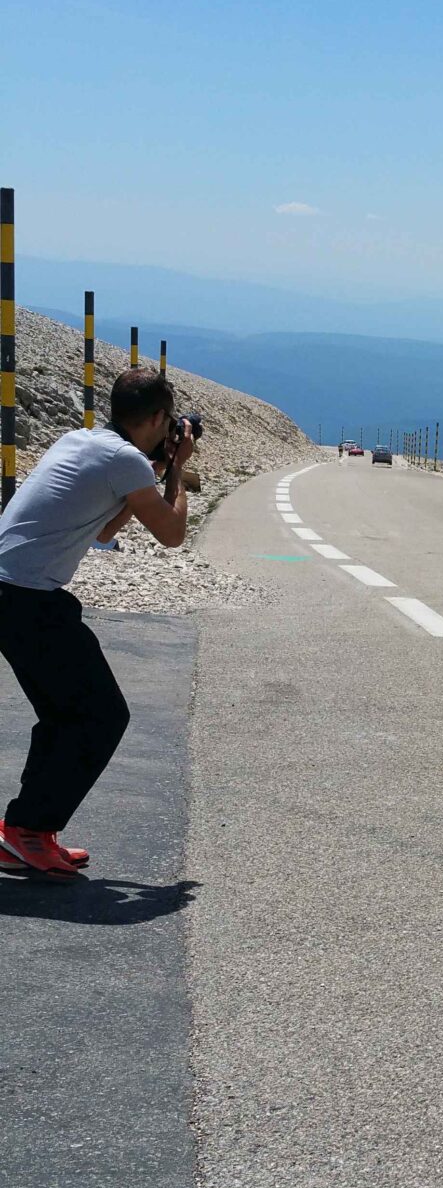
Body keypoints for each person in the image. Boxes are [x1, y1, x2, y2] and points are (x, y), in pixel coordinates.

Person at [0, 369, 195, 876]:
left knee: (66, 715)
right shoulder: (126, 460)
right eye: (168, 421)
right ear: (157, 418)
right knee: (102, 716)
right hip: (25, 596)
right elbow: (173, 534)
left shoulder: (81, 439)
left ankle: (25, 833)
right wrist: (175, 472)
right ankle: (26, 831)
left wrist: (145, 483)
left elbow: (104, 528)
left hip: (18, 592)